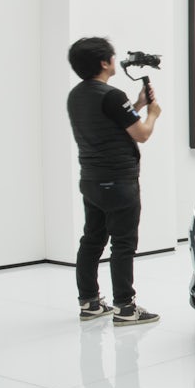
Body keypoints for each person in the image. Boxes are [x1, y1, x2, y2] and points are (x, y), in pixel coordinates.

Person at [66, 37, 161, 326]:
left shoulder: (76, 95)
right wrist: (152, 114)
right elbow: (141, 134)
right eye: (112, 57)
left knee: (92, 239)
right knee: (123, 244)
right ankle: (125, 307)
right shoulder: (112, 95)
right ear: (104, 63)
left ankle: (89, 303)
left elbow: (111, 122)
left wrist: (136, 104)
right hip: (119, 181)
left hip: (92, 180)